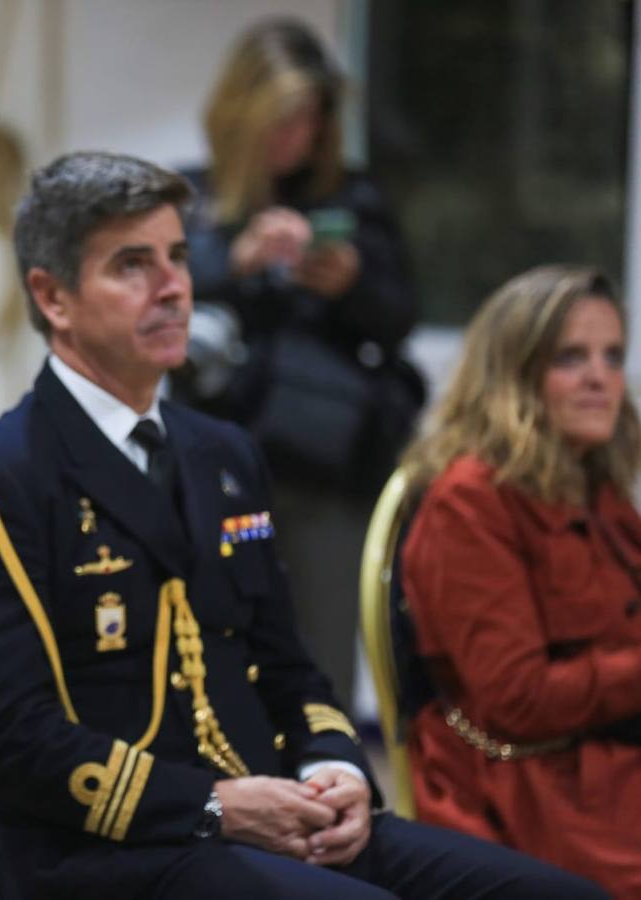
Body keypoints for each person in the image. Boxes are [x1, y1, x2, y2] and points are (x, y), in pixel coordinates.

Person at [0, 151, 604, 900]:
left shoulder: (223, 454)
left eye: (178, 257)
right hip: (112, 858)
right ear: (53, 297)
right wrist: (212, 806)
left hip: (272, 822)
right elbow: (4, 737)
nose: (174, 287)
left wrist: (334, 767)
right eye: (133, 265)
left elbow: (288, 665)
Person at [174, 18, 424, 704]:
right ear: (242, 112)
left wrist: (350, 282)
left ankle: (322, 777)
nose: (299, 136)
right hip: (218, 466)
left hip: (328, 467)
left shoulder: (355, 199)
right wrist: (234, 261)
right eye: (284, 118)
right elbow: (149, 313)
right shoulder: (192, 203)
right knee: (212, 660)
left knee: (319, 669)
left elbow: (399, 317)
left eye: (312, 118)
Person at [400, 265, 641, 897]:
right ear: (513, 374)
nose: (601, 378)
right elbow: (518, 700)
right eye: (571, 358)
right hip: (532, 793)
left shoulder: (593, 482)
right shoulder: (469, 500)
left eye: (613, 357)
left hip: (606, 769)